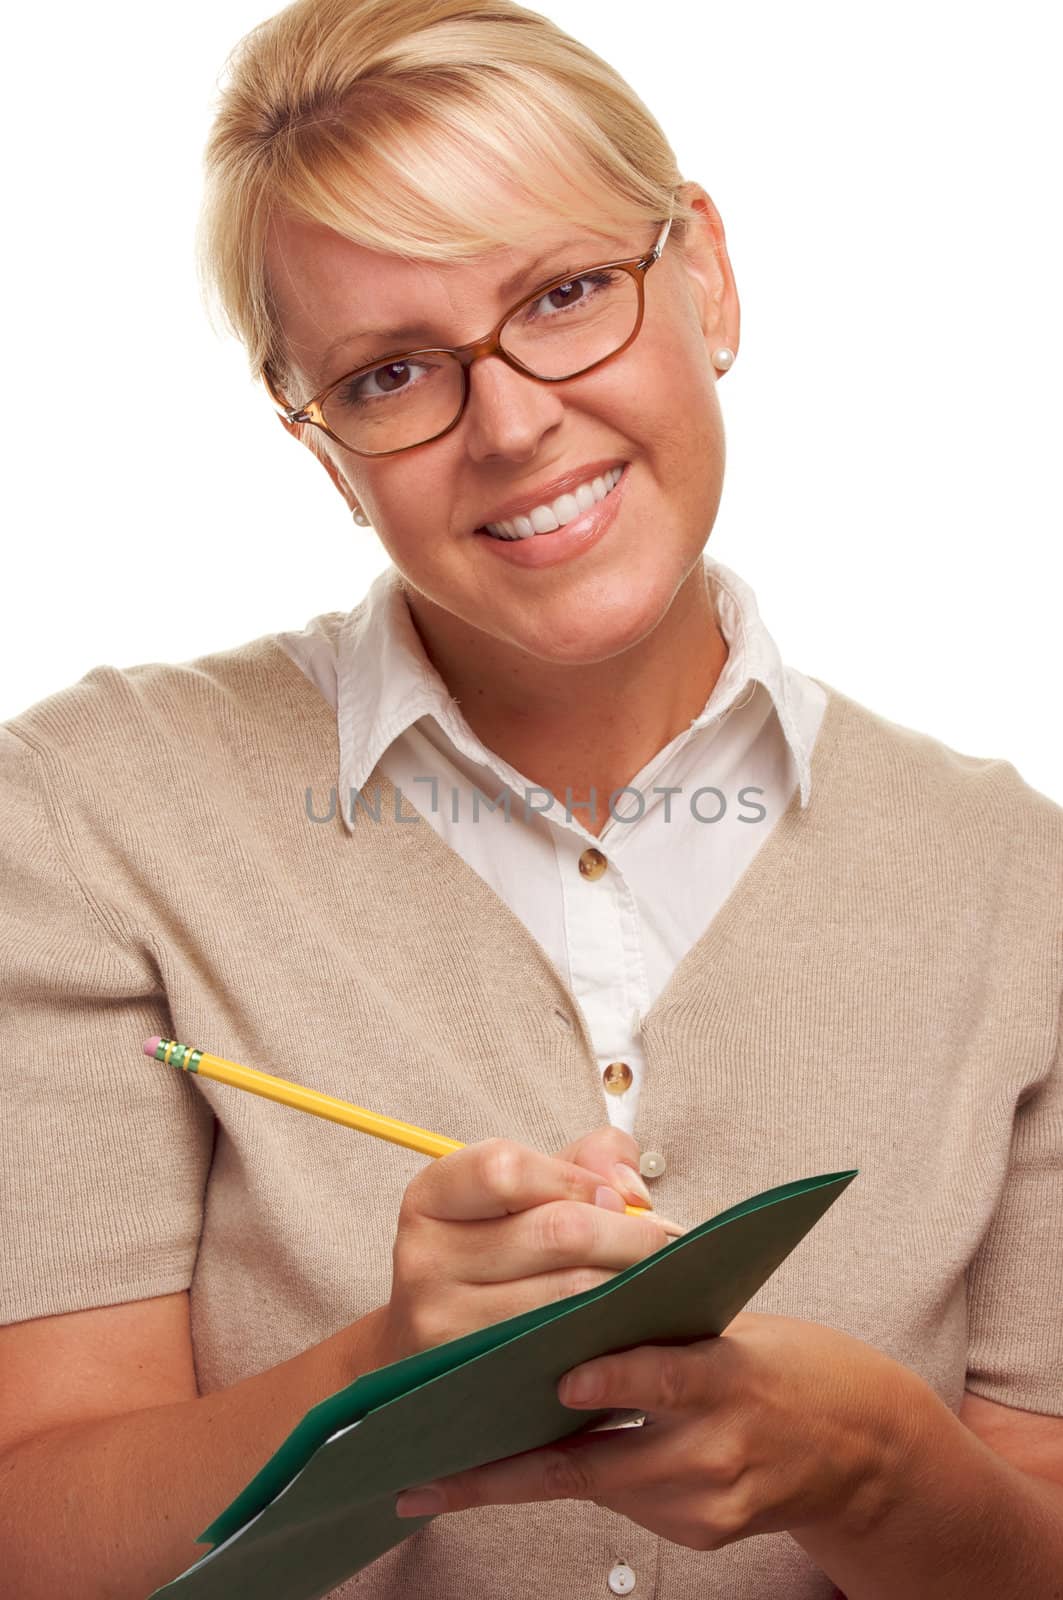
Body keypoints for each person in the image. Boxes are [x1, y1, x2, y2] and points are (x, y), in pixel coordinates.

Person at [1, 0, 1061, 1596]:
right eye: (392, 373)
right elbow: (33, 1538)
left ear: (702, 272)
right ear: (321, 447)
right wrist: (381, 1373)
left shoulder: (1019, 885)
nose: (509, 425)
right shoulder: (92, 814)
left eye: (567, 295)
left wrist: (878, 1466)